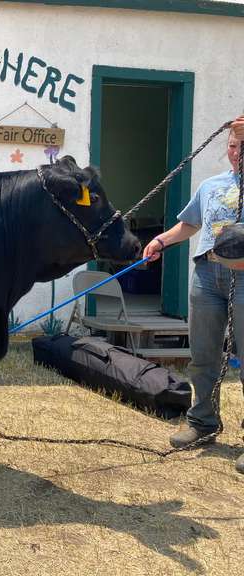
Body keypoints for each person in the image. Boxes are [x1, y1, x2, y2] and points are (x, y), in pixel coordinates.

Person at [143, 116, 244, 474]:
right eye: (233, 146)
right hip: (206, 274)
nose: (237, 152)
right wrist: (161, 240)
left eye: (243, 146)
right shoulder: (211, 185)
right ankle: (202, 422)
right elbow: (191, 224)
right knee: (202, 354)